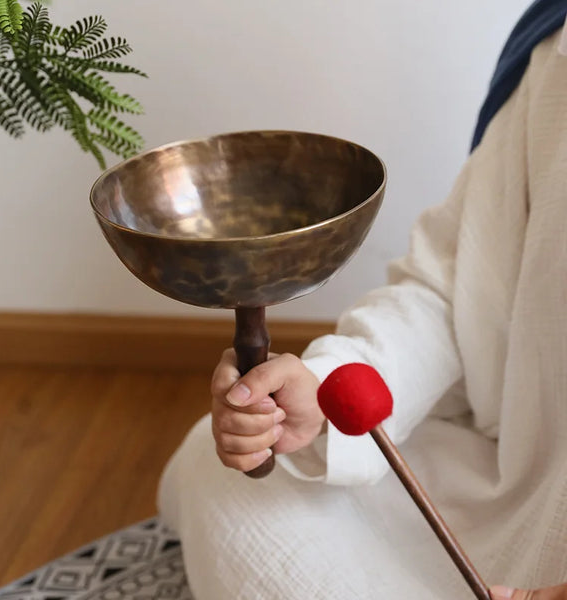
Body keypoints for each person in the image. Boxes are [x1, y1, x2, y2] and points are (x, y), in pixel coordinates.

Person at [158, 2, 567, 598]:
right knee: (223, 474)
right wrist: (323, 400)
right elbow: (453, 294)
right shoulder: (556, 49)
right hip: (528, 483)